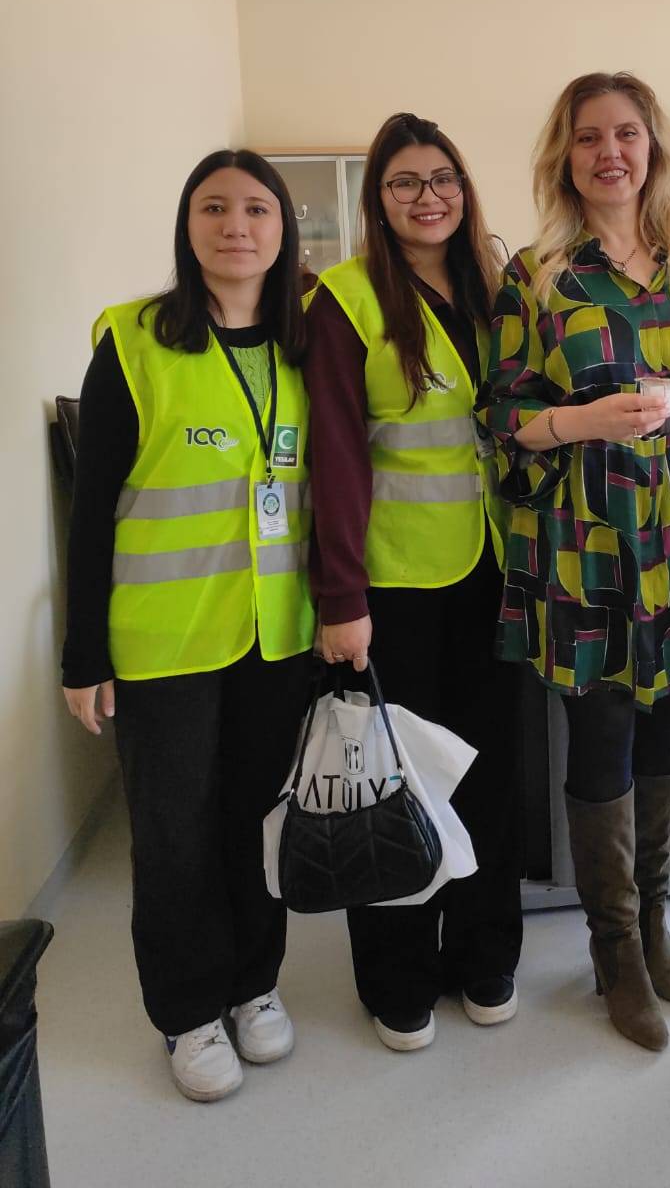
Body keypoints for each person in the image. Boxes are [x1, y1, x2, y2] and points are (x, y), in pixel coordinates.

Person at [62, 149, 315, 1103]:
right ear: (187, 225)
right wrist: (83, 653)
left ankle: (254, 983)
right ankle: (187, 1008)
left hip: (273, 637)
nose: (236, 226)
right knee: (173, 834)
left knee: (255, 821)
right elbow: (91, 510)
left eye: (256, 208)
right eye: (214, 208)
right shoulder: (133, 342)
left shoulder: (306, 343)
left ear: (283, 229)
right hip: (162, 639)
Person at [478, 71, 670, 1052]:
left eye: (626, 134)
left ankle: (654, 922)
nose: (609, 152)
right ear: (564, 155)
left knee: (667, 726)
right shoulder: (538, 272)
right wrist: (580, 421)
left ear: (653, 147)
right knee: (605, 733)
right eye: (588, 137)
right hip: (583, 537)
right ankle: (613, 948)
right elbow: (498, 414)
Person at [305, 112, 521, 1053]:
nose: (426, 197)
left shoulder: (495, 289)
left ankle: (486, 953)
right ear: (377, 198)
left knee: (487, 775)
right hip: (391, 584)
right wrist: (340, 598)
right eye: (404, 182)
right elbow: (336, 455)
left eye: (442, 179)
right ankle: (397, 975)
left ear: (463, 189)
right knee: (394, 784)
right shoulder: (346, 298)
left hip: (494, 568)